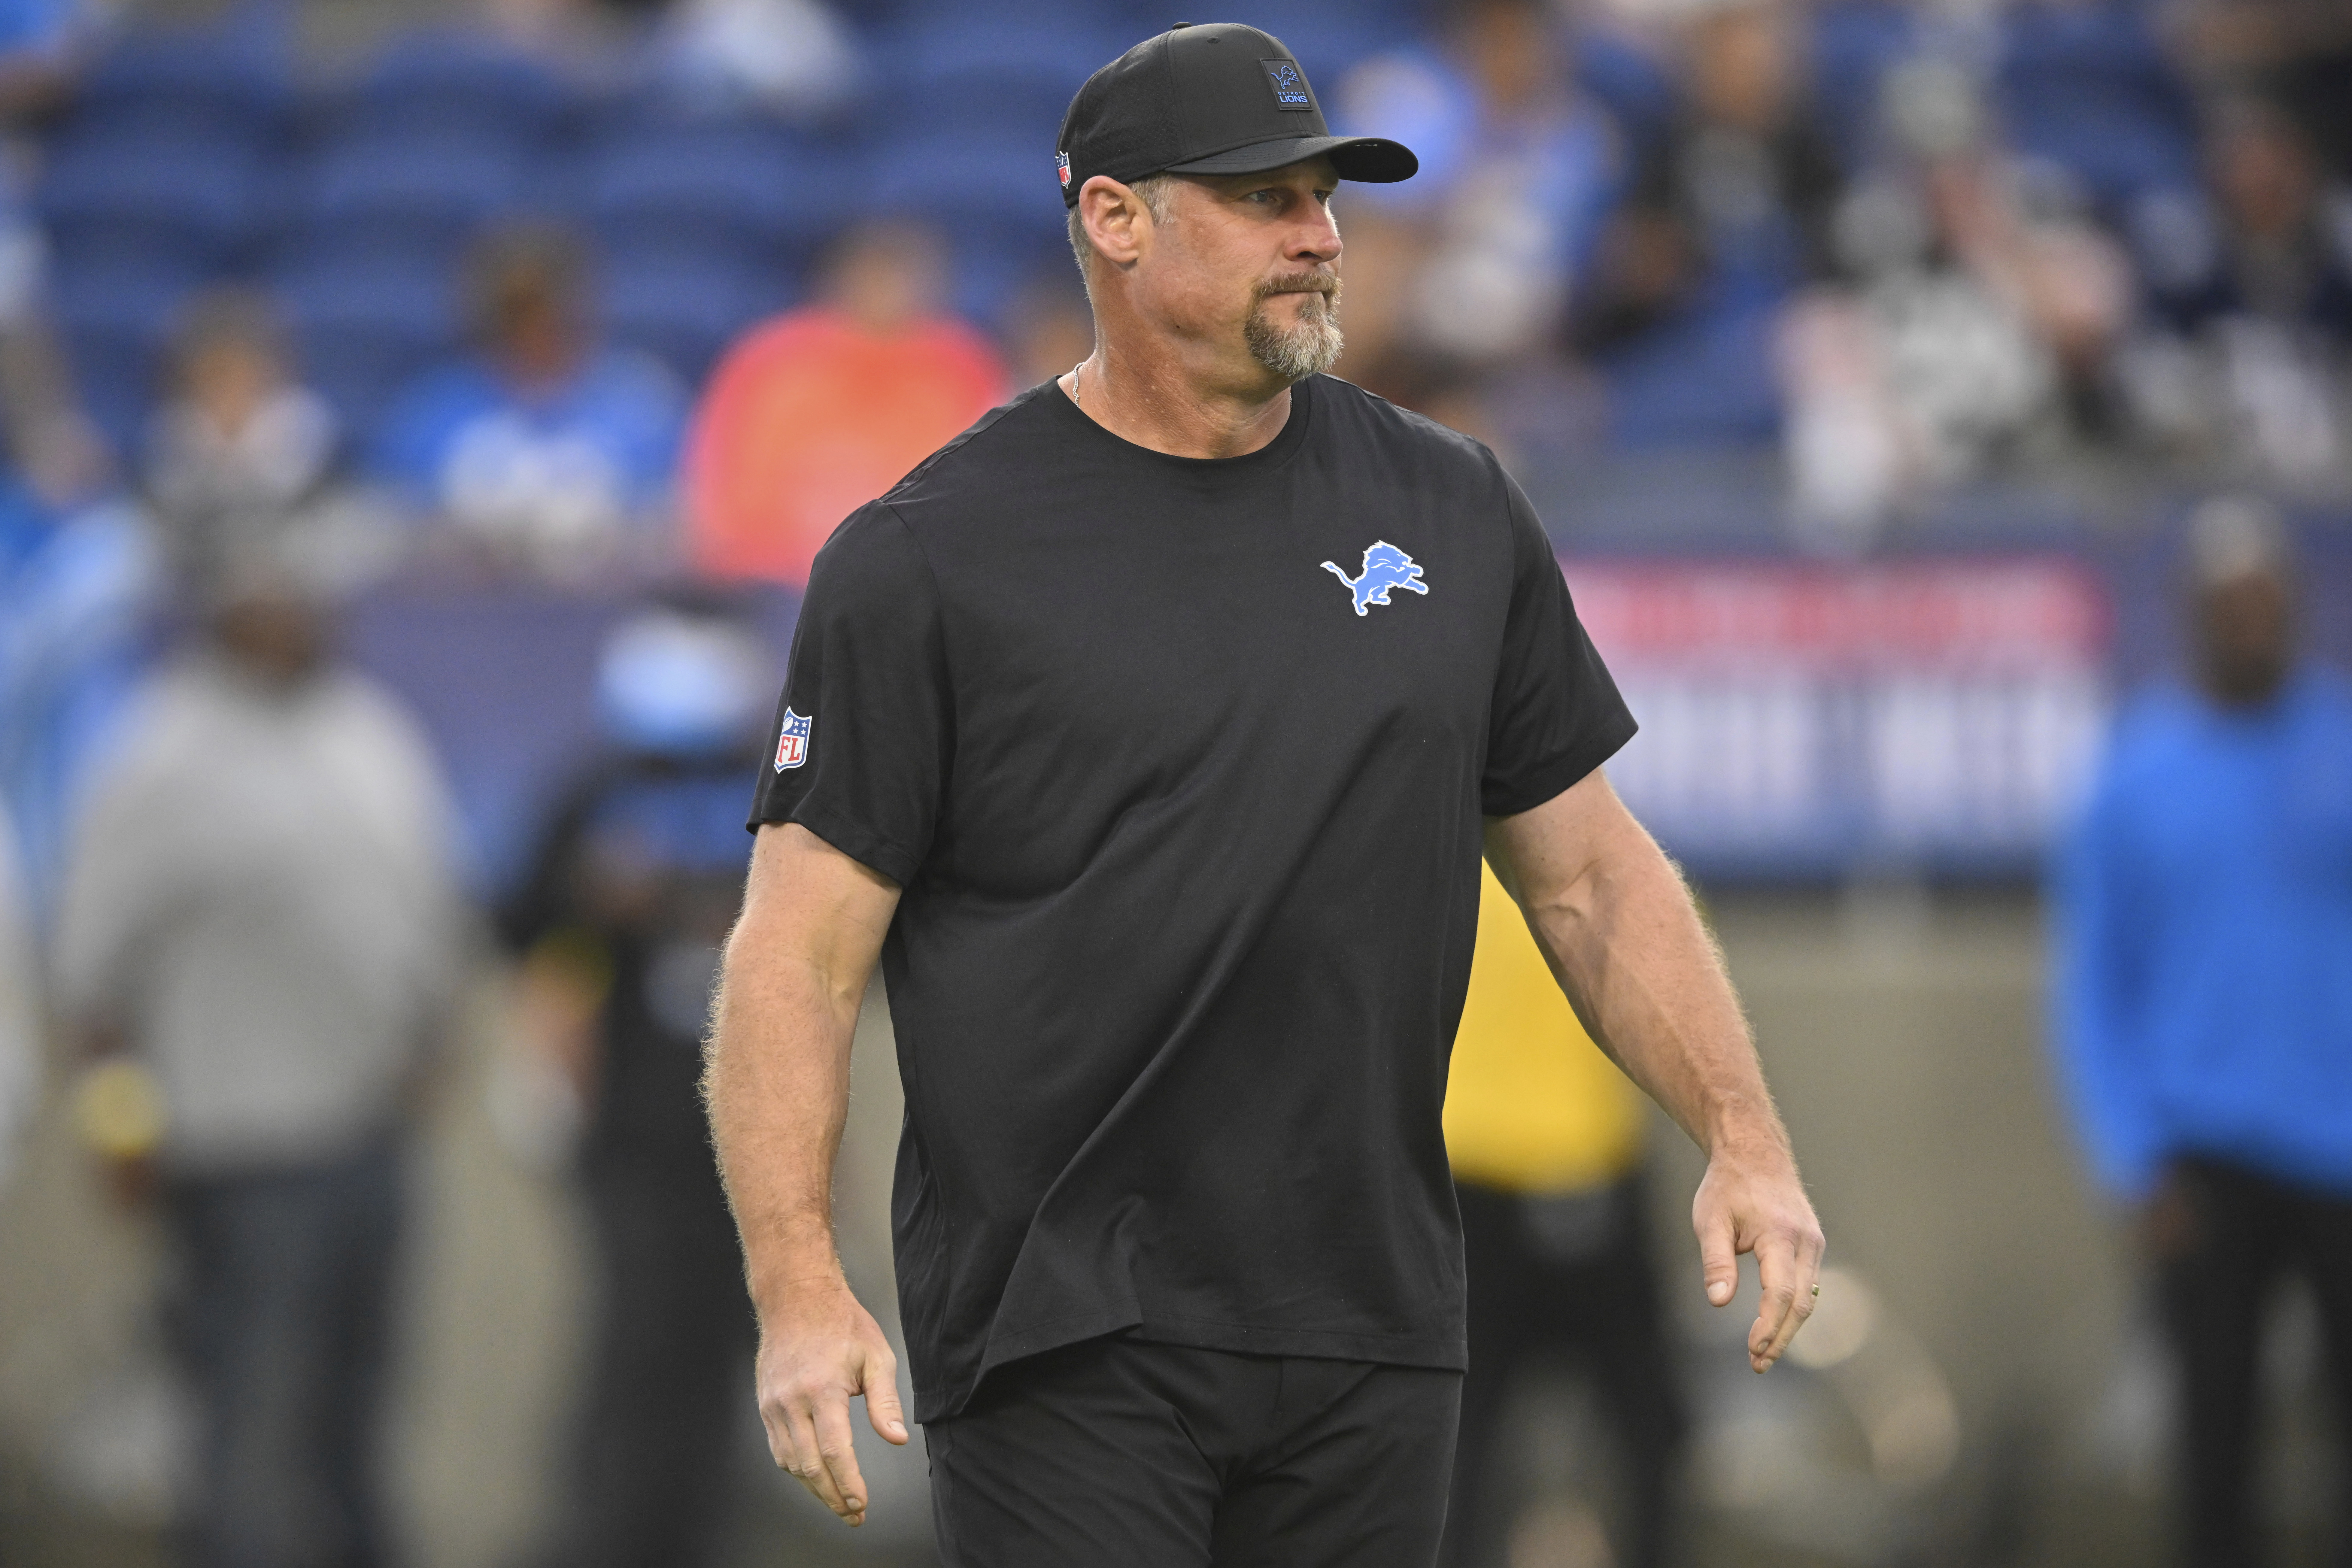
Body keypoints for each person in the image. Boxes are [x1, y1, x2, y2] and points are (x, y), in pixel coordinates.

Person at [702, 24, 1824, 1566]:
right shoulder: (926, 557)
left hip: (1373, 1322)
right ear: (1115, 218)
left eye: (1325, 199)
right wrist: (797, 1286)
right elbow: (798, 957)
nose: (1320, 238)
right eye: (1263, 199)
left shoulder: (1453, 506)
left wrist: (1743, 1137)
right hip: (1060, 1333)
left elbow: (1589, 877)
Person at [51, 551, 466, 1568]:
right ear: (224, 610)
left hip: (370, 1136)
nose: (292, 611)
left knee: (359, 1419)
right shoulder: (160, 756)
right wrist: (122, 1130)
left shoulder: (366, 727)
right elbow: (92, 979)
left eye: (302, 590)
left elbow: (427, 906)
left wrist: (432, 1038)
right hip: (237, 1152)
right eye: (268, 593)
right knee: (248, 1431)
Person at [2052, 498, 2352, 1568]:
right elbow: (2093, 986)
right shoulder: (2133, 777)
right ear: (2191, 613)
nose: (2249, 623)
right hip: (2204, 1150)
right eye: (2229, 604)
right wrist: (2133, 1155)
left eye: (2265, 601)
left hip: (2341, 1145)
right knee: (2214, 1430)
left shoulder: (2339, 746)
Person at [505, 597, 770, 1568]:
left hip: (751, 1128)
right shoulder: (598, 789)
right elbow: (523, 925)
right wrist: (594, 902)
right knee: (636, 1340)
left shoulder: (778, 786)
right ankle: (606, 1535)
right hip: (630, 1127)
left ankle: (697, 1534)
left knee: (725, 1340)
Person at [1440, 864, 1683, 1568]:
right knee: (1644, 1429)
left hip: (1508, 1168)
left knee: (1461, 1433)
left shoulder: (1446, 874)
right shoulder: (1622, 867)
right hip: (1556, 1169)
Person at [682, 217, 1004, 588]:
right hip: (770, 584)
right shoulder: (774, 361)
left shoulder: (963, 369)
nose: (886, 291)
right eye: (873, 275)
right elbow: (725, 505)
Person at [372, 224, 688, 575]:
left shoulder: (640, 408)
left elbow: (676, 534)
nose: (533, 331)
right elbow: (389, 533)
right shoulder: (431, 414)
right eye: (516, 315)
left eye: (547, 312)